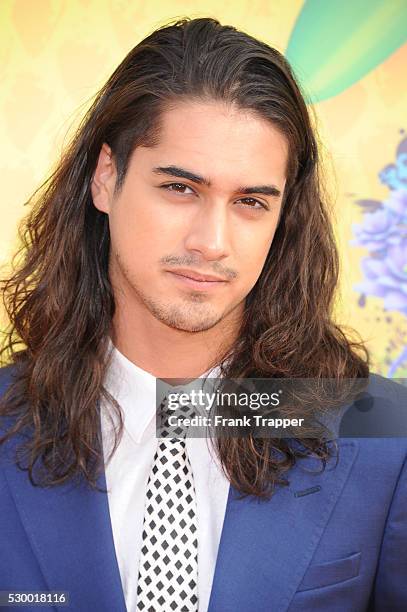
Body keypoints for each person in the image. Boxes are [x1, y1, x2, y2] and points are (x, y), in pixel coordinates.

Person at [0, 16, 406, 612]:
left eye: (249, 202)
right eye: (180, 188)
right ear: (106, 178)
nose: (211, 242)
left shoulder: (385, 440)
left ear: (282, 216)